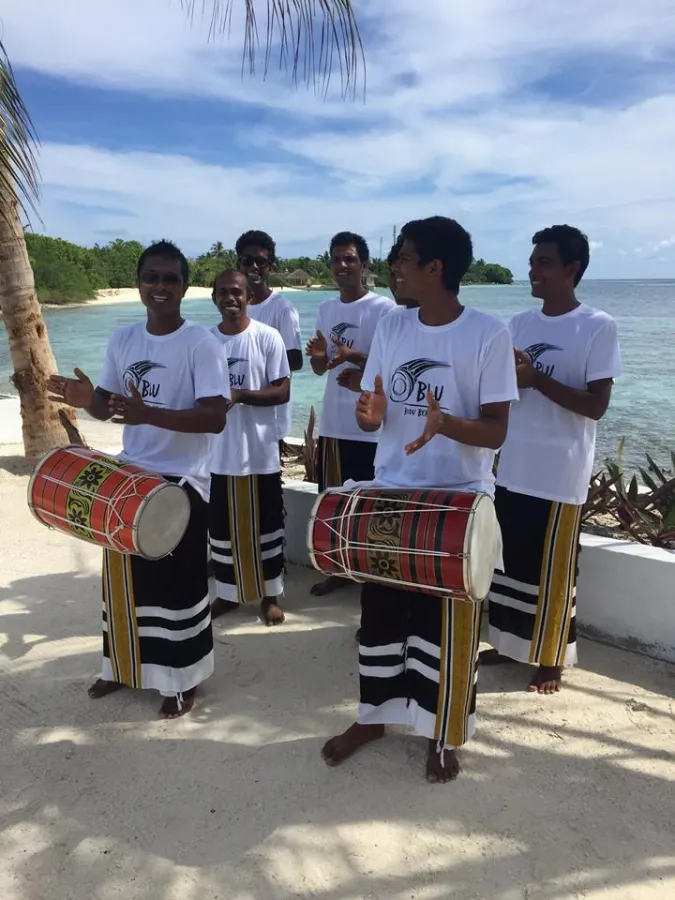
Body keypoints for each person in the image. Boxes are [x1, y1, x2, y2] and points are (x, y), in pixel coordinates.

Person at [321, 216, 518, 783]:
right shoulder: (393, 326)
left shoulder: (487, 334)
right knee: (381, 615)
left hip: (457, 501)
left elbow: (497, 431)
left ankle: (443, 731)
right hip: (392, 490)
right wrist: (372, 414)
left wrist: (445, 424)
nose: (394, 267)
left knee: (445, 625)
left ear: (435, 268)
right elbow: (374, 409)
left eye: (403, 257)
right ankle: (374, 717)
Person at [47, 240, 228, 718]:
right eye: (152, 277)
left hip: (183, 481)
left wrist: (150, 414)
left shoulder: (201, 344)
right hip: (130, 475)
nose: (160, 286)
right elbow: (110, 408)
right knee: (123, 581)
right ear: (139, 284)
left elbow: (215, 417)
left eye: (170, 278)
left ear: (184, 287)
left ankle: (182, 680)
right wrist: (87, 399)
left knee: (177, 585)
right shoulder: (123, 339)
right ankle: (121, 667)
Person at [481, 225, 622, 694]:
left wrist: (536, 378)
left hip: (560, 472)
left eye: (543, 262)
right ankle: (507, 642)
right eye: (532, 262)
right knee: (511, 563)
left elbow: (596, 405)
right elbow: (504, 386)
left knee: (555, 569)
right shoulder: (520, 323)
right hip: (514, 464)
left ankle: (551, 657)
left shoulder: (597, 326)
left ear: (571, 268)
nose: (532, 270)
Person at [306, 231, 396, 596]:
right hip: (334, 423)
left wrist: (354, 357)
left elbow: (392, 365)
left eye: (349, 259)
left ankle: (372, 573)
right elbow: (320, 368)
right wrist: (319, 357)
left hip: (371, 427)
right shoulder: (326, 309)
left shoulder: (384, 309)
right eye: (336, 259)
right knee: (334, 502)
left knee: (370, 504)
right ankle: (339, 569)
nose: (341, 265)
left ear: (364, 265)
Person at [208, 270, 290, 627]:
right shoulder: (205, 342)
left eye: (237, 292)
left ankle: (270, 596)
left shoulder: (267, 337)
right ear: (214, 298)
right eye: (223, 292)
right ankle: (228, 595)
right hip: (218, 454)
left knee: (267, 527)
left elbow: (282, 391)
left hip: (260, 452)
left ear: (249, 297)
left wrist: (240, 395)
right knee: (221, 530)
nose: (231, 298)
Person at [236, 230, 303, 446]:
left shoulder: (283, 309)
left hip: (269, 420)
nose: (254, 267)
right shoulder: (233, 307)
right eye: (247, 261)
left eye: (261, 262)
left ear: (270, 267)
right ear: (239, 264)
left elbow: (295, 360)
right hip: (236, 418)